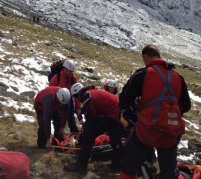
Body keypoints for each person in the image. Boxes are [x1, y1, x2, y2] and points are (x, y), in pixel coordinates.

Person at [119, 44, 191, 179]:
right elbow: (186, 106)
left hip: (147, 130)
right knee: (168, 173)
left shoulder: (143, 73)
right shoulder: (178, 77)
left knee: (128, 162)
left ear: (146, 57)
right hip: (171, 132)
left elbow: (123, 100)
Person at [64, 83, 122, 175]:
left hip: (111, 114)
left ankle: (81, 166)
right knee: (115, 140)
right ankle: (117, 165)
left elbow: (91, 119)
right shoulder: (91, 92)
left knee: (89, 135)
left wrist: (85, 128)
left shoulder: (87, 97)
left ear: (77, 95)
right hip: (116, 111)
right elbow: (96, 110)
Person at [49, 59, 81, 133]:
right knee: (58, 120)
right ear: (65, 69)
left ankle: (74, 135)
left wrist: (78, 107)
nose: (71, 73)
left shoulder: (73, 79)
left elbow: (76, 94)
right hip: (57, 100)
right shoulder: (56, 78)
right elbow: (50, 92)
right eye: (70, 71)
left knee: (71, 118)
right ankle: (58, 137)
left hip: (68, 99)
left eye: (72, 71)